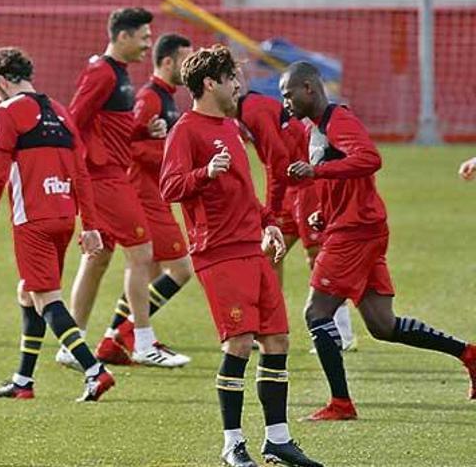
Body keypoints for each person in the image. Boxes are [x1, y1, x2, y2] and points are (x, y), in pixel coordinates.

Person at [282, 61, 476, 422]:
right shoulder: (317, 129)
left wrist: (317, 171)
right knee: (382, 325)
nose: (286, 102)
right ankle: (469, 355)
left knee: (316, 312)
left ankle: (341, 404)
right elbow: (343, 177)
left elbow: (369, 159)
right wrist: (323, 213)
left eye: (288, 94)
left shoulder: (339, 120)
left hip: (355, 232)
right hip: (355, 226)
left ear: (309, 88)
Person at [160, 45, 322, 467]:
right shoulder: (186, 130)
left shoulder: (231, 127)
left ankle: (278, 439)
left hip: (252, 245)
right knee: (238, 342)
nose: (239, 84)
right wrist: (203, 174)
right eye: (232, 77)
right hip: (217, 250)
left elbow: (244, 189)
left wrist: (268, 219)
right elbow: (170, 187)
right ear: (210, 83)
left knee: (277, 340)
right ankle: (232, 443)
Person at [0, 47, 115, 402]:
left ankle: (94, 370)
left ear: (3, 81)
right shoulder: (60, 111)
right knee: (28, 292)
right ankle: (23, 381)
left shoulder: (6, 111)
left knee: (46, 297)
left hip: (32, 220)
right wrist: (90, 225)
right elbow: (81, 174)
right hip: (64, 217)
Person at [61, 7, 187, 369]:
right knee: (142, 254)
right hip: (105, 177)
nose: (148, 44)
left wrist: (145, 131)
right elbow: (74, 120)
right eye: (144, 37)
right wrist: (80, 169)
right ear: (123, 36)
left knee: (98, 259)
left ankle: (72, 342)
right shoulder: (101, 72)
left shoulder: (121, 75)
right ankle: (143, 340)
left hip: (110, 174)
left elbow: (114, 128)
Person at [94, 33, 195, 366]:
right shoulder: (149, 98)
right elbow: (129, 147)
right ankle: (133, 332)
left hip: (157, 193)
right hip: (143, 194)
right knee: (181, 269)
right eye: (186, 58)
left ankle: (112, 341)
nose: (190, 64)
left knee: (149, 272)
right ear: (168, 62)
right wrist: (170, 156)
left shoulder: (167, 97)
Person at [237, 91, 357, 352]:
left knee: (317, 254)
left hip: (306, 183)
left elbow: (277, 162)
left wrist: (270, 210)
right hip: (292, 186)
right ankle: (270, 326)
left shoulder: (252, 110)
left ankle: (341, 332)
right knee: (270, 255)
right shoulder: (242, 112)